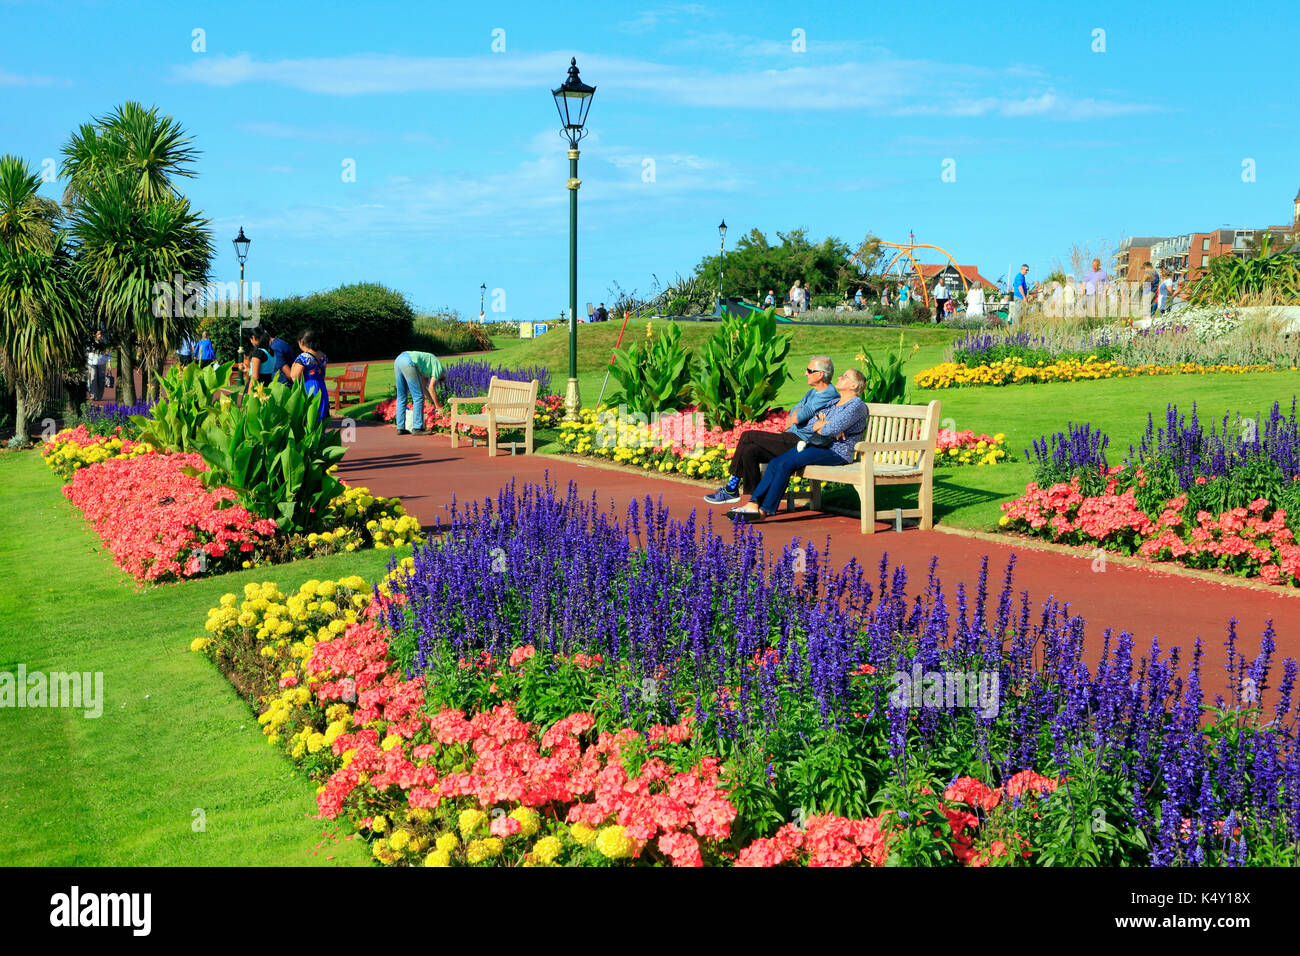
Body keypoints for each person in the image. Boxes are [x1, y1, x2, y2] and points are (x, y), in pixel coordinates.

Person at [728, 368, 869, 522]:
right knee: (776, 462)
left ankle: (763, 510)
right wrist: (821, 425)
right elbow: (810, 425)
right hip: (819, 446)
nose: (840, 377)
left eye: (845, 376)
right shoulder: (834, 402)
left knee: (784, 464)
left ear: (854, 386)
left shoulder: (856, 405)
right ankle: (753, 504)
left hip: (837, 452)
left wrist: (824, 425)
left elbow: (831, 429)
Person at [703, 356, 840, 504]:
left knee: (747, 436)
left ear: (820, 374)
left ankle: (731, 489)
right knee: (750, 450)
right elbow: (794, 411)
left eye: (809, 370)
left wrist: (797, 415)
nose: (805, 373)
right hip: (792, 437)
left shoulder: (828, 393)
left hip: (802, 443)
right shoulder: (814, 392)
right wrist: (797, 414)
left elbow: (798, 417)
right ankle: (756, 500)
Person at [392, 349, 448, 435]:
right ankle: (417, 428)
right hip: (408, 362)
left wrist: (432, 401)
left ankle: (400, 428)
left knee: (401, 396)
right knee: (418, 397)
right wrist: (438, 406)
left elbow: (423, 387)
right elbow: (431, 387)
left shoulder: (428, 369)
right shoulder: (439, 369)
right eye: (439, 380)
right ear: (443, 375)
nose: (437, 380)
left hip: (398, 360)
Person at [286, 329, 330, 423]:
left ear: (302, 341)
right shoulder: (323, 355)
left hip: (309, 387)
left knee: (309, 417)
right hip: (321, 387)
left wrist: (293, 367)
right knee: (320, 416)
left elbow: (295, 377)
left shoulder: (304, 357)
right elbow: (322, 375)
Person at [86, 328, 112, 401]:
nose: (99, 335)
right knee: (93, 379)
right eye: (98, 334)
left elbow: (108, 353)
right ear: (95, 335)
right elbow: (86, 352)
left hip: (102, 363)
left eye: (100, 334)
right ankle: (93, 395)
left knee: (101, 380)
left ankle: (99, 396)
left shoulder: (104, 343)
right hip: (92, 363)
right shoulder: (90, 343)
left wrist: (109, 363)